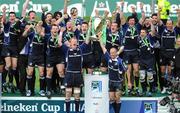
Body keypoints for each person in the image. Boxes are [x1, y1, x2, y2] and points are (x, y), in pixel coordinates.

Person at [62, 28, 91, 113]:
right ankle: (67, 111)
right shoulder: (66, 50)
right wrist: (61, 32)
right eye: (73, 43)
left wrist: (89, 29)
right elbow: (60, 42)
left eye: (76, 43)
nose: (75, 44)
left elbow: (87, 41)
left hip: (78, 74)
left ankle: (77, 111)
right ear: (70, 44)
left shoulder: (81, 49)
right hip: (69, 74)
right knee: (68, 93)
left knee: (77, 95)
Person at [98, 32, 126, 113]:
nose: (112, 54)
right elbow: (103, 47)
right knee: (111, 98)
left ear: (116, 53)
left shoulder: (120, 61)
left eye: (113, 53)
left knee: (117, 98)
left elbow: (125, 69)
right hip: (111, 82)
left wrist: (121, 71)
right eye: (111, 53)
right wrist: (99, 38)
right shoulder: (108, 58)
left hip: (118, 82)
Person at [159, 9, 180, 94]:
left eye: (170, 24)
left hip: (172, 53)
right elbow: (159, 20)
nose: (169, 25)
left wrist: (179, 13)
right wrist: (159, 12)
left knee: (170, 71)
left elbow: (179, 22)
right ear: (166, 24)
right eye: (167, 24)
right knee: (163, 71)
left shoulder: (175, 30)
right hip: (163, 53)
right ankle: (164, 86)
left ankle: (169, 87)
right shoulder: (162, 29)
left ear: (172, 24)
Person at [23, 21, 46, 97]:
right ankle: (29, 90)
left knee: (42, 73)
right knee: (29, 73)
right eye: (38, 26)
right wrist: (29, 27)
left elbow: (41, 33)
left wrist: (38, 26)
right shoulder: (32, 34)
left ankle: (42, 90)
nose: (40, 27)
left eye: (40, 26)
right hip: (32, 55)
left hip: (40, 56)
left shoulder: (44, 33)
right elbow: (24, 35)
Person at [1, 7, 21, 93]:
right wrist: (4, 12)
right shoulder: (7, 24)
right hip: (6, 46)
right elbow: (4, 20)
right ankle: (3, 82)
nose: (12, 17)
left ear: (15, 17)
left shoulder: (17, 25)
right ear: (9, 17)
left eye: (13, 16)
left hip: (14, 47)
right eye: (11, 16)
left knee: (14, 66)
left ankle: (10, 82)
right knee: (8, 65)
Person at [45, 24, 65, 98]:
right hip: (50, 57)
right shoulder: (47, 37)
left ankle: (63, 88)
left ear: (58, 30)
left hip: (60, 57)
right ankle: (49, 90)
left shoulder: (61, 36)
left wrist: (61, 32)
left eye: (56, 29)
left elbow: (59, 44)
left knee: (61, 72)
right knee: (49, 73)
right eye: (53, 29)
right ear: (51, 30)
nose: (55, 30)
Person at [139, 28, 155, 97]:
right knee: (142, 77)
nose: (142, 34)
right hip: (142, 60)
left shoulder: (150, 38)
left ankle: (151, 90)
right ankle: (144, 90)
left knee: (150, 76)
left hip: (150, 60)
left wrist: (151, 22)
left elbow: (153, 31)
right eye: (141, 32)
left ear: (146, 33)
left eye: (143, 32)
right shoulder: (138, 40)